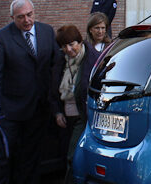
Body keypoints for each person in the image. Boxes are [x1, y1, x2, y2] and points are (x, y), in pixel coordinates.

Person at [0, 0, 62, 184]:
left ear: (34, 12)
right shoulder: (1, 38)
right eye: (21, 17)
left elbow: (56, 64)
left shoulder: (46, 31)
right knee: (3, 158)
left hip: (39, 109)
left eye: (30, 15)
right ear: (12, 17)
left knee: (32, 157)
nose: (27, 20)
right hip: (11, 111)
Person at [53, 25, 99, 184]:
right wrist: (57, 112)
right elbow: (52, 89)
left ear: (80, 41)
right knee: (68, 155)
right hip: (66, 117)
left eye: (72, 44)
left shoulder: (92, 58)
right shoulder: (61, 60)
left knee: (73, 156)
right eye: (64, 46)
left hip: (83, 116)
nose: (69, 49)